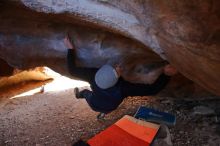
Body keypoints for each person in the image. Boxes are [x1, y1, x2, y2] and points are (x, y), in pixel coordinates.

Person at [64, 35, 177, 115]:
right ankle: (82, 95)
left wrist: (70, 49)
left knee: (86, 93)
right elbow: (152, 90)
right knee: (86, 93)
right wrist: (166, 75)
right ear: (115, 80)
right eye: (116, 71)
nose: (118, 67)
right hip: (110, 107)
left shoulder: (91, 75)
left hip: (94, 102)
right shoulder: (123, 88)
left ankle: (80, 94)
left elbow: (72, 70)